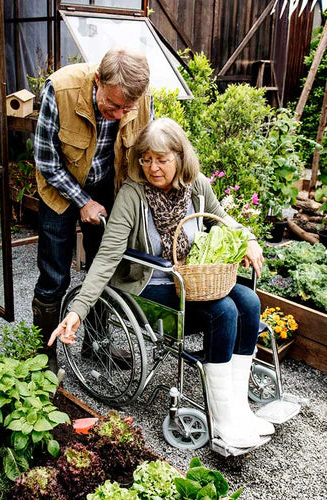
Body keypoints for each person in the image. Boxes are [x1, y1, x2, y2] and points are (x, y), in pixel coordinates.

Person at [48, 117, 274, 448]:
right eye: (146, 159)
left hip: (193, 281)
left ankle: (238, 410)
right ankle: (223, 420)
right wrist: (79, 309)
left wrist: (248, 237)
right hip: (150, 287)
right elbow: (108, 256)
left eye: (162, 159)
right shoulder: (132, 195)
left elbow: (222, 218)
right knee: (224, 311)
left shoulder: (197, 186)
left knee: (250, 302)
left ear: (180, 158)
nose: (153, 168)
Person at [32, 48, 152, 373]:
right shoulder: (60, 89)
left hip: (108, 186)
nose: (119, 114)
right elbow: (46, 161)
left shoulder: (139, 100)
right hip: (61, 187)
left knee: (106, 268)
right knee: (54, 275)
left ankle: (97, 346)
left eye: (127, 108)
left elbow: (144, 153)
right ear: (98, 79)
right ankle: (44, 356)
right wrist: (82, 200)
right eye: (112, 105)